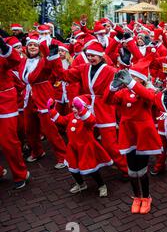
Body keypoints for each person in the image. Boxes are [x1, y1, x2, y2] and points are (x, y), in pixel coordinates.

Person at [49, 41, 129, 179]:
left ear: (100, 56)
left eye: (93, 56)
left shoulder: (110, 70)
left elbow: (123, 86)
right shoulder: (83, 68)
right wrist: (54, 58)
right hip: (87, 109)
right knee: (86, 140)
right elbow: (64, 75)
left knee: (110, 144)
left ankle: (126, 170)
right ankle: (92, 165)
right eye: (88, 55)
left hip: (104, 109)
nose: (91, 58)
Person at [2, 33, 67, 169]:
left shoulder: (44, 61)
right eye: (30, 45)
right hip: (28, 97)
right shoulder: (23, 61)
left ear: (39, 48)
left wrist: (53, 55)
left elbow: (51, 67)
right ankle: (37, 151)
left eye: (35, 45)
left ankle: (63, 156)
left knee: (50, 130)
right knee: (30, 129)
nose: (32, 47)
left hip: (43, 96)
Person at [105, 66, 162, 214]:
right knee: (132, 170)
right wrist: (112, 87)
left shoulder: (147, 91)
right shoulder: (123, 92)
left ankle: (146, 197)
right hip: (128, 134)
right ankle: (137, 197)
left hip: (143, 135)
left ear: (141, 80)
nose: (128, 79)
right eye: (129, 77)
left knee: (142, 170)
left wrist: (132, 83)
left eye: (133, 77)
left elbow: (150, 98)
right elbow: (108, 100)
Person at [48, 96, 111, 197]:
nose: (74, 109)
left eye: (77, 107)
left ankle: (102, 186)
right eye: (73, 107)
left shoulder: (87, 118)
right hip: (73, 148)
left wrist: (82, 111)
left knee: (92, 170)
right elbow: (61, 120)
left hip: (86, 148)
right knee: (73, 168)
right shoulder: (71, 116)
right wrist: (52, 110)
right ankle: (81, 184)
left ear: (84, 108)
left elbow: (91, 121)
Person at [0, 36, 30, 189]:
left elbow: (15, 61)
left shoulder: (2, 53)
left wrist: (4, 47)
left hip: (5, 100)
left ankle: (21, 173)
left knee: (8, 141)